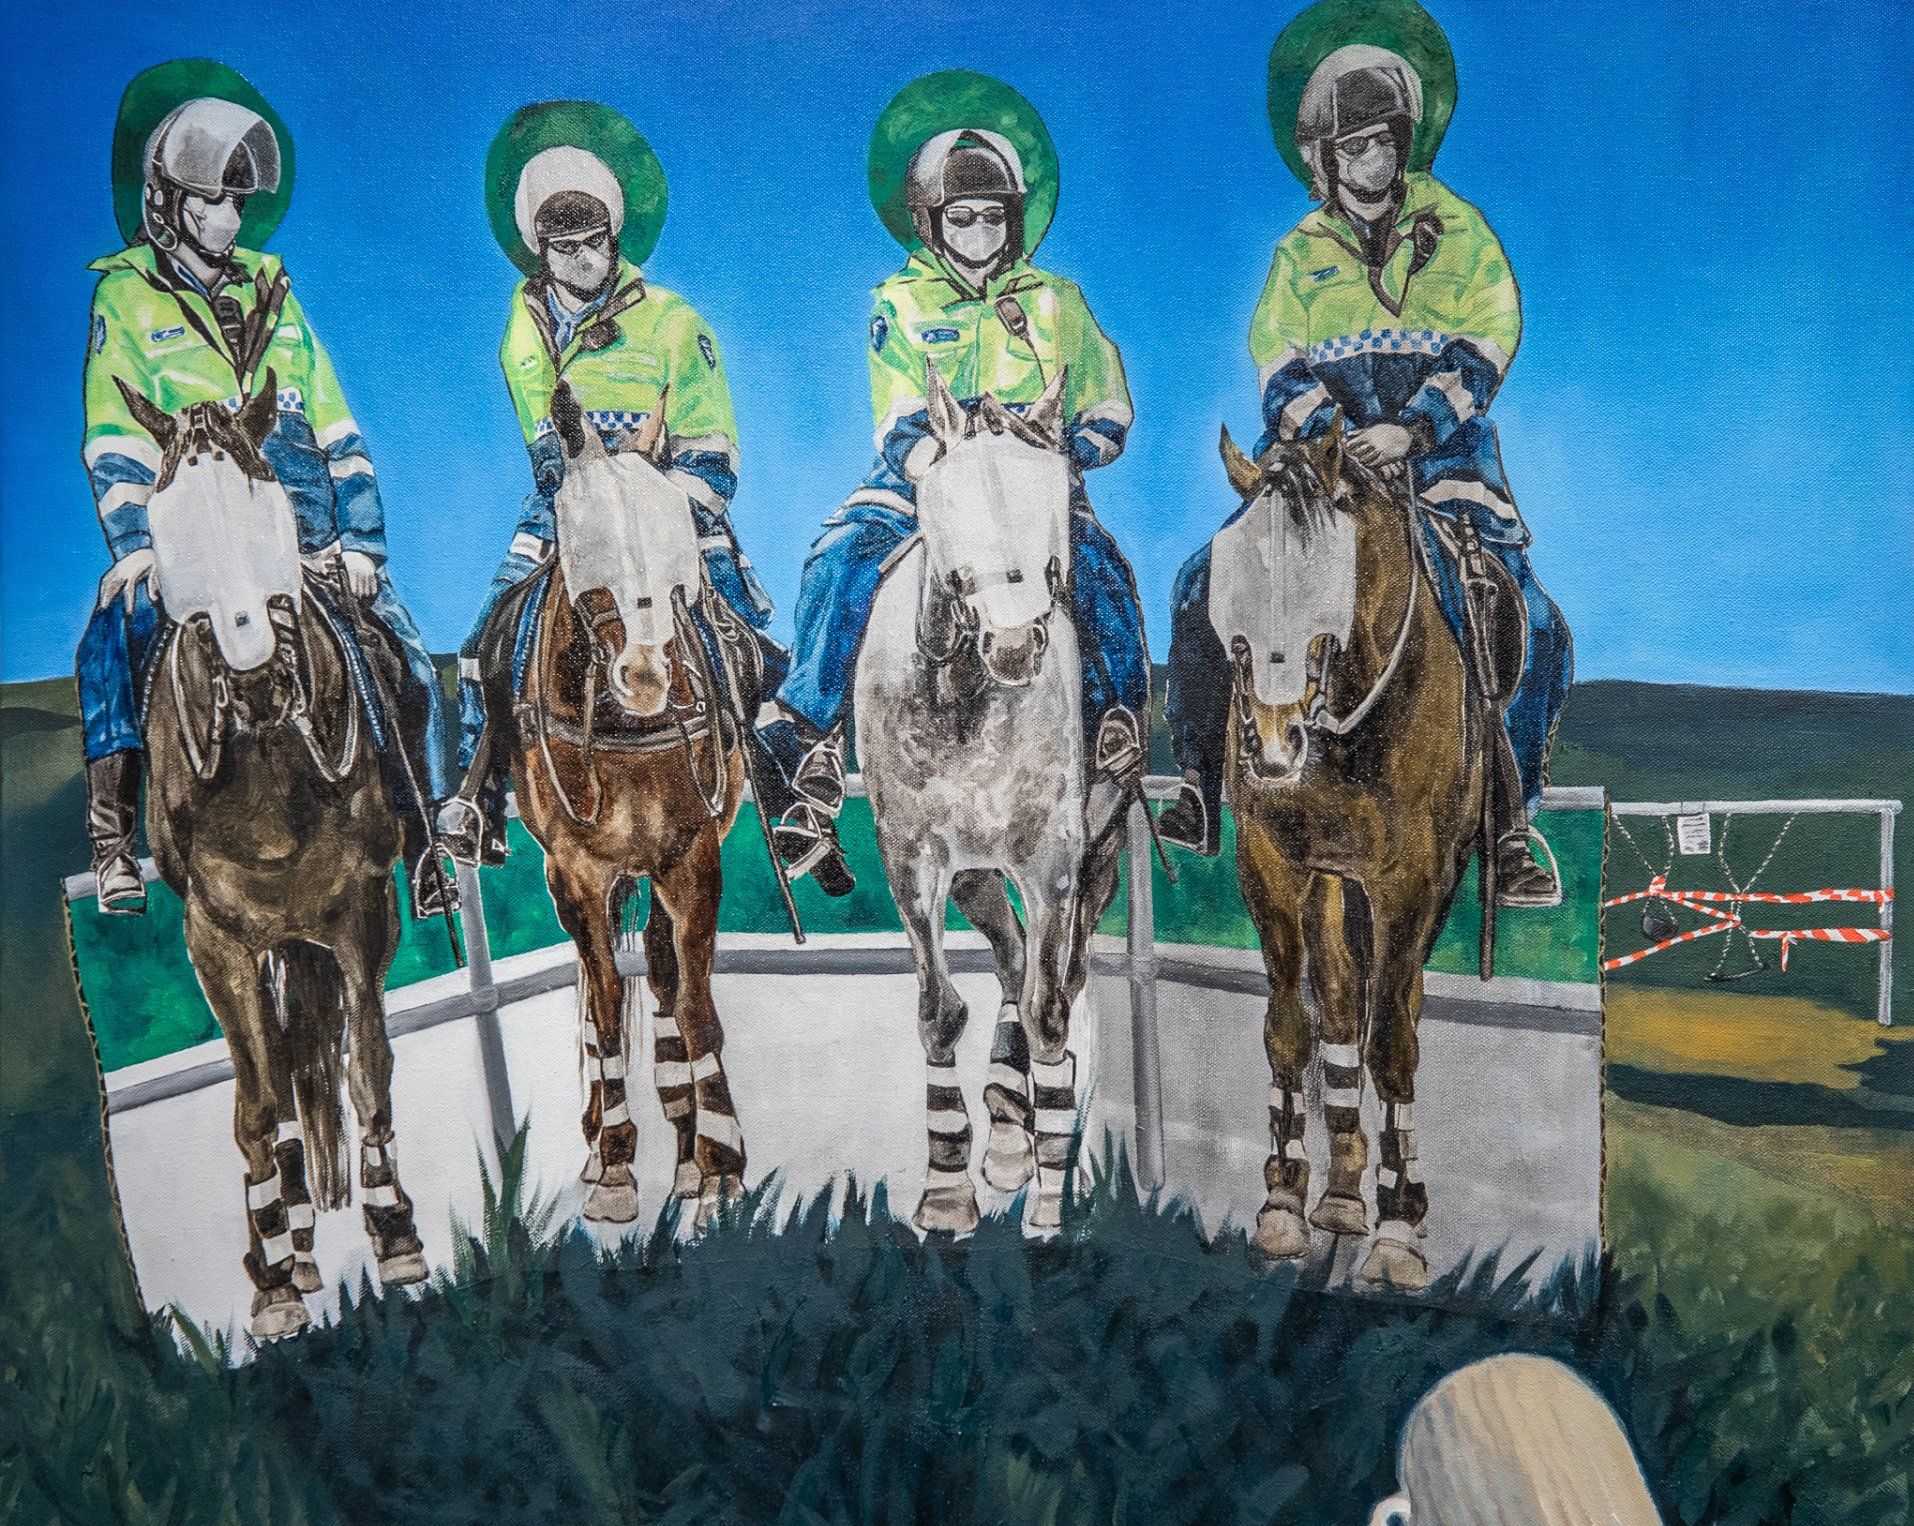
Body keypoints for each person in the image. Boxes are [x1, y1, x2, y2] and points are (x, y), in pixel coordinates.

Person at [1160, 3, 1571, 906]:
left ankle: (1511, 820)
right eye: (1353, 147)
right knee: (1199, 581)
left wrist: (1411, 429)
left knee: (1534, 622)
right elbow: (1277, 363)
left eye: (1384, 142)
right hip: (1318, 469)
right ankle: (1198, 781)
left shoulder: (1461, 230)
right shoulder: (1298, 253)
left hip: (1441, 462)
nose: (1372, 161)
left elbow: (1489, 338)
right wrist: (1335, 440)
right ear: (1325, 159)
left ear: (1404, 143)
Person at [759, 70, 1151, 889]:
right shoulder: (899, 301)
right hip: (927, 477)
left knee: (1103, 568)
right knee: (837, 556)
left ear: (1015, 220)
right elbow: (899, 415)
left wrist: (1074, 453)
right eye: (961, 217)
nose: (979, 231)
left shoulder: (1056, 300)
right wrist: (947, 473)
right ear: (932, 221)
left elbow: (1107, 400)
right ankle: (813, 739)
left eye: (993, 216)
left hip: (1034, 481)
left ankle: (1114, 718)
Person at [80, 62, 449, 916]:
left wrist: (362, 542)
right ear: (169, 201)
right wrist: (136, 549)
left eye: (237, 201)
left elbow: (336, 426)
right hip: (197, 535)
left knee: (405, 656)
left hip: (307, 531)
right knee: (109, 638)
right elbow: (113, 436)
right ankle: (113, 845)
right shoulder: (124, 298)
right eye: (213, 198)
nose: (229, 216)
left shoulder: (274, 289)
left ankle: (428, 836)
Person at [437, 103, 809, 879]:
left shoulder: (675, 321)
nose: (579, 259)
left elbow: (712, 448)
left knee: (740, 629)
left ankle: (787, 796)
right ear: (541, 250)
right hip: (570, 505)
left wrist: (661, 497)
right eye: (561, 247)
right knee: (491, 631)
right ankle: (475, 800)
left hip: (668, 501)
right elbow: (542, 432)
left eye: (592, 242)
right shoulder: (526, 323)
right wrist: (578, 486)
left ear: (615, 238)